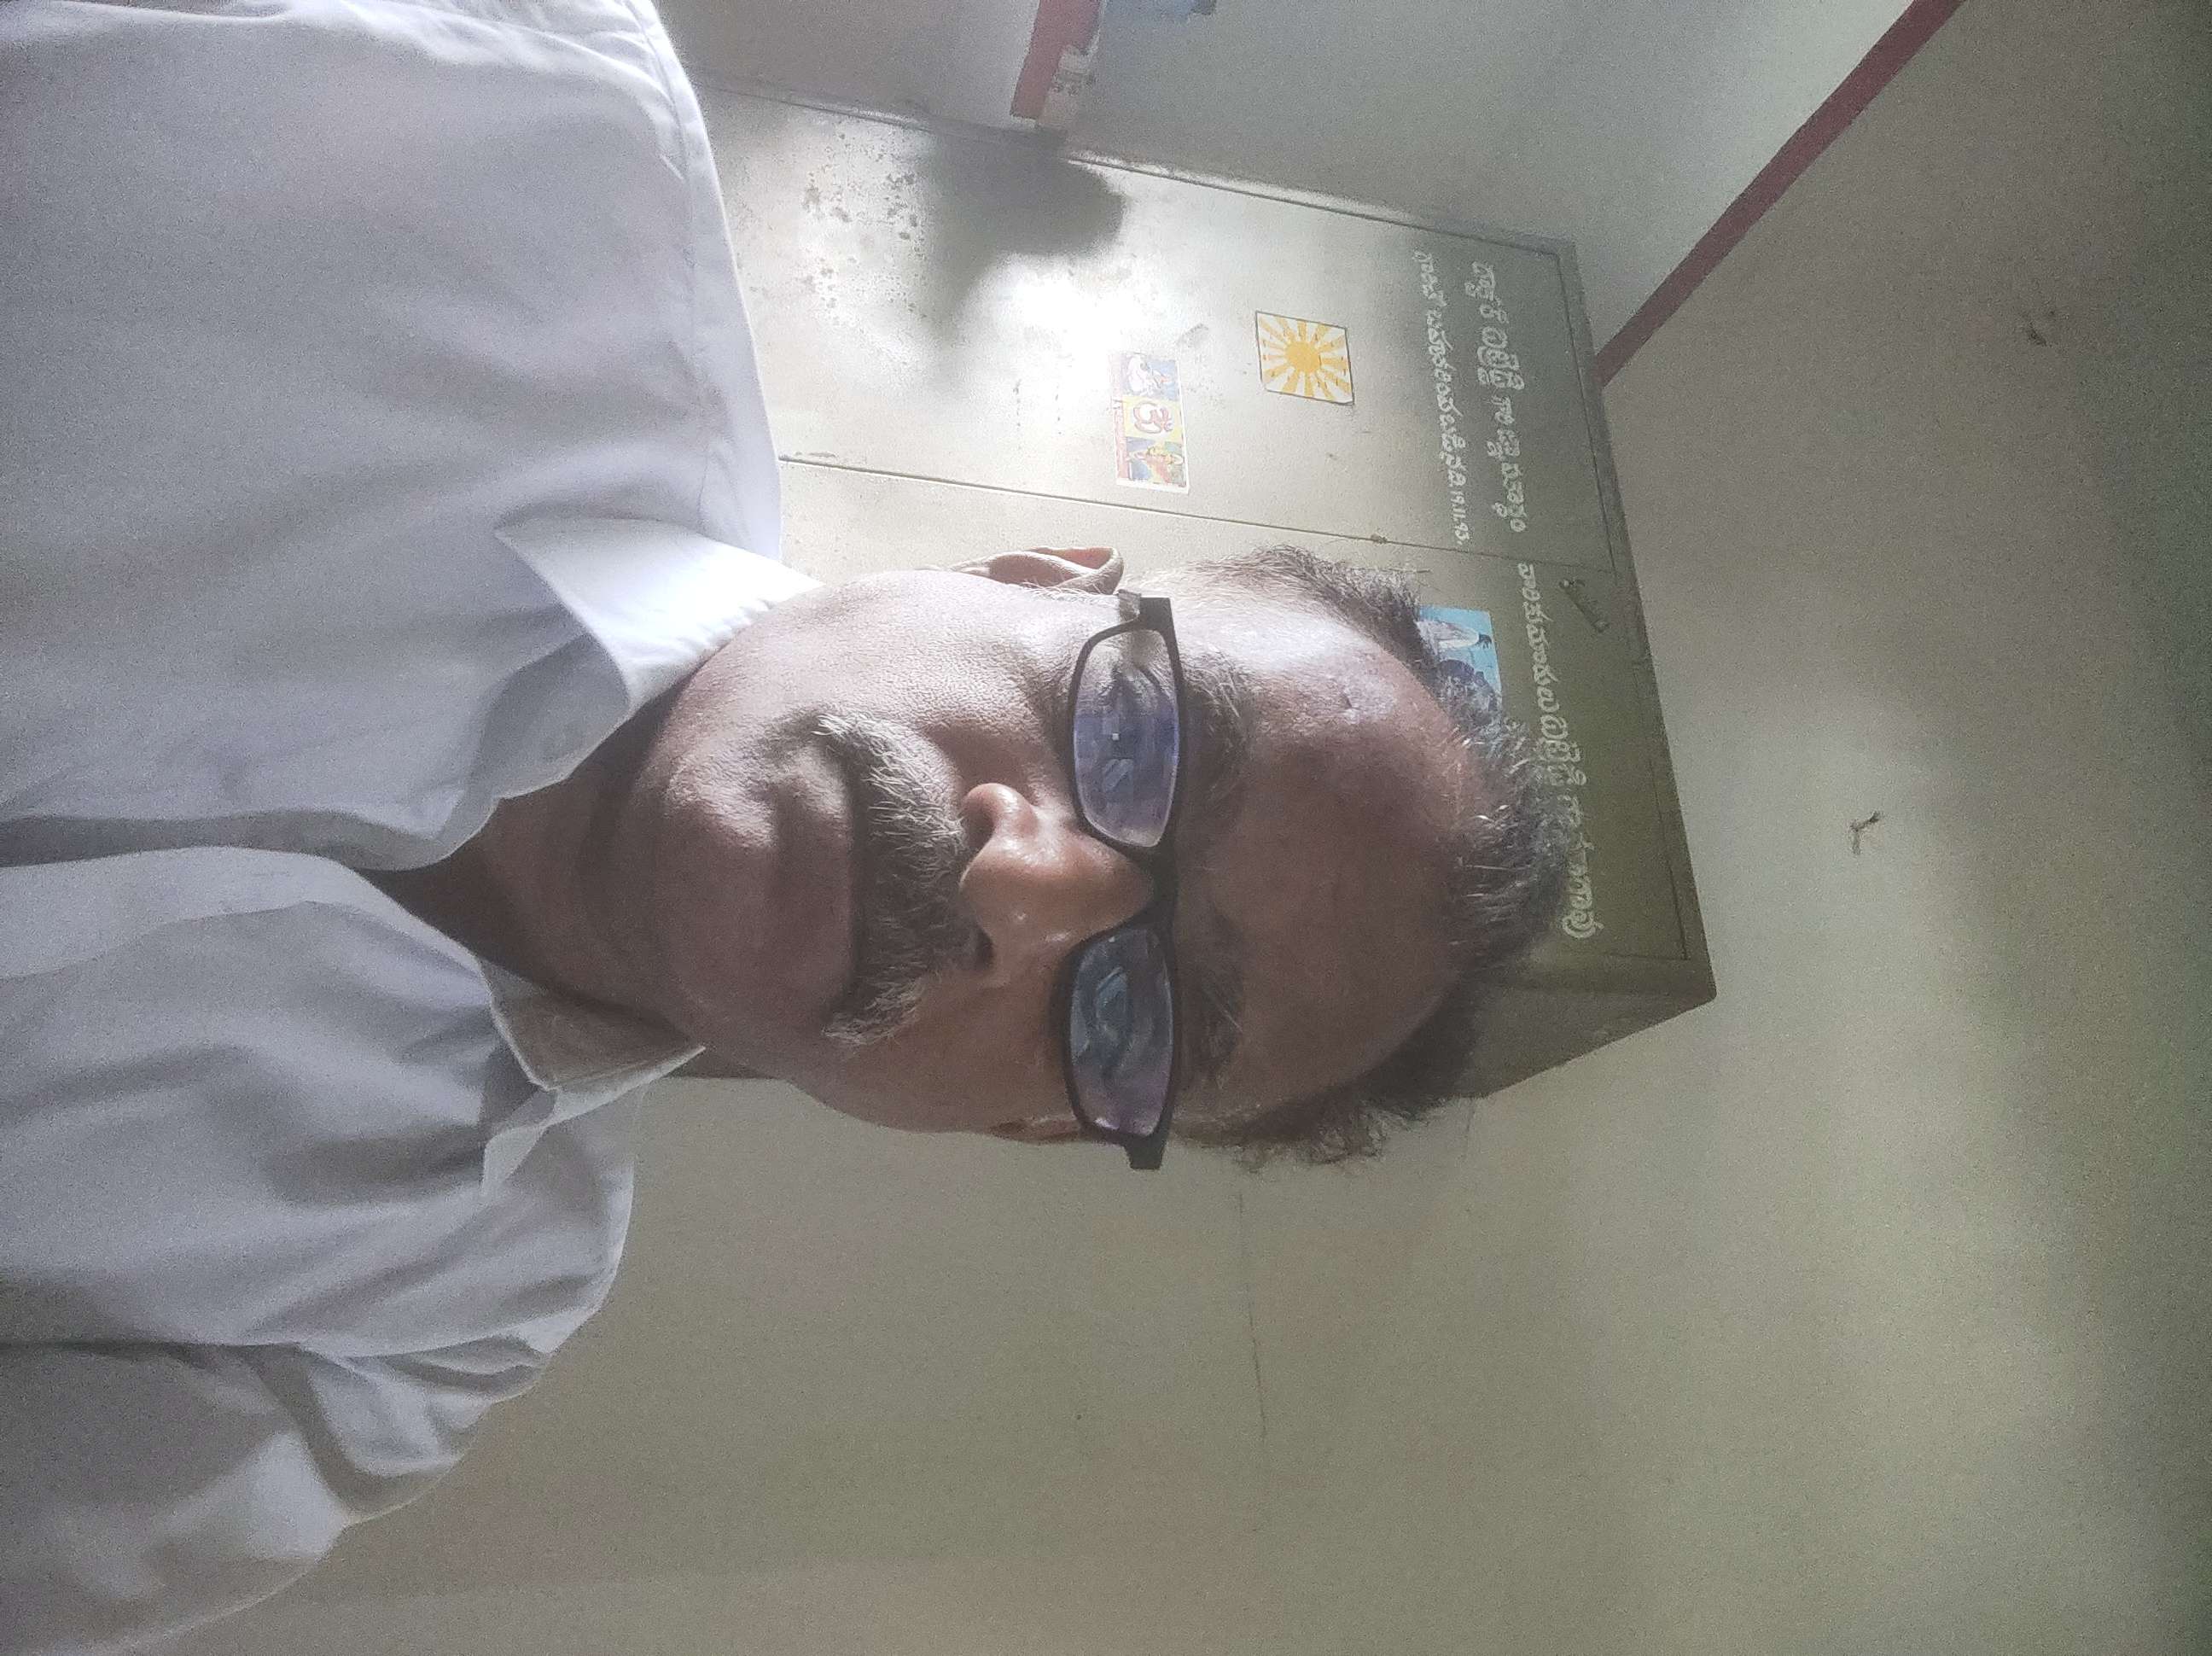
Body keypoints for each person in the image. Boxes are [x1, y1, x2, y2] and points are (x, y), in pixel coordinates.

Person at [0, 0, 1567, 1647]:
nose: (1018, 888)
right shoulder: (494, 123)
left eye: (1135, 1014)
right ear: (1031, 574)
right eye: (1137, 734)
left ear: (1032, 1127)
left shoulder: (405, 1336)